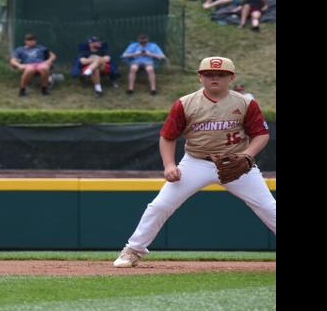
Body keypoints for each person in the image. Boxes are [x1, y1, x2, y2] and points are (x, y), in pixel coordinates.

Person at [114, 56, 275, 268]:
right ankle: (133, 250)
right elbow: (167, 137)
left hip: (236, 162)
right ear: (200, 77)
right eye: (209, 74)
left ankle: (134, 250)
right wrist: (169, 165)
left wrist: (247, 155)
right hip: (196, 162)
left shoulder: (245, 102)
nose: (214, 78)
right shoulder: (186, 103)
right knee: (160, 205)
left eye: (221, 74)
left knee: (268, 207)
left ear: (231, 78)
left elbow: (261, 134)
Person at [8, 31, 54, 97]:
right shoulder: (20, 49)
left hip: (40, 63)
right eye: (29, 41)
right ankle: (22, 89)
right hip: (28, 65)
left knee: (45, 68)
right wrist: (19, 65)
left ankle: (44, 89)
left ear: (35, 41)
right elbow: (12, 60)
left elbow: (53, 55)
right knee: (30, 69)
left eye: (33, 40)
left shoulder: (41, 48)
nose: (31, 42)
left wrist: (49, 60)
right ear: (25, 41)